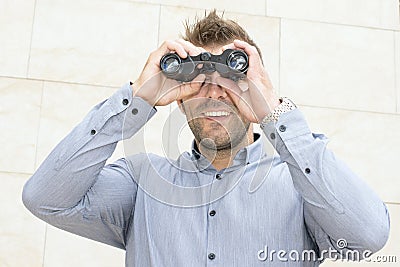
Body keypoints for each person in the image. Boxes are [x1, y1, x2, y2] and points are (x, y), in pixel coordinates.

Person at [22, 10, 390, 266]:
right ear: (179, 101)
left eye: (232, 80)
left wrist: (274, 112)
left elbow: (368, 237)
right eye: (197, 81)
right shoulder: (141, 183)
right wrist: (138, 98)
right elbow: (45, 198)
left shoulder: (302, 185)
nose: (214, 94)